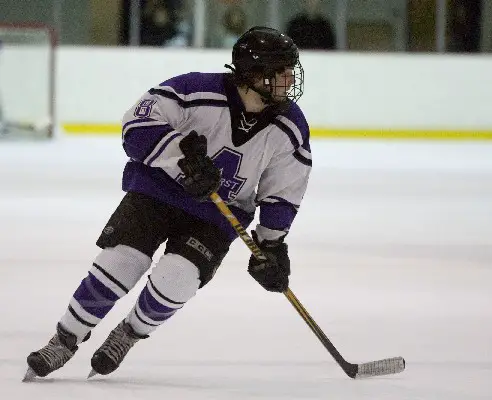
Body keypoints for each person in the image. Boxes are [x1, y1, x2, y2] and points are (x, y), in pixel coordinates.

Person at [24, 26, 312, 380]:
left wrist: (271, 245)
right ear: (253, 74)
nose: (289, 78)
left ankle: (127, 334)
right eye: (280, 70)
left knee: (178, 278)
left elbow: (284, 189)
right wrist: (182, 159)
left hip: (217, 215)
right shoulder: (195, 90)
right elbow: (136, 123)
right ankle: (64, 340)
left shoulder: (291, 126)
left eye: (290, 69)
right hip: (157, 193)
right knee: (121, 261)